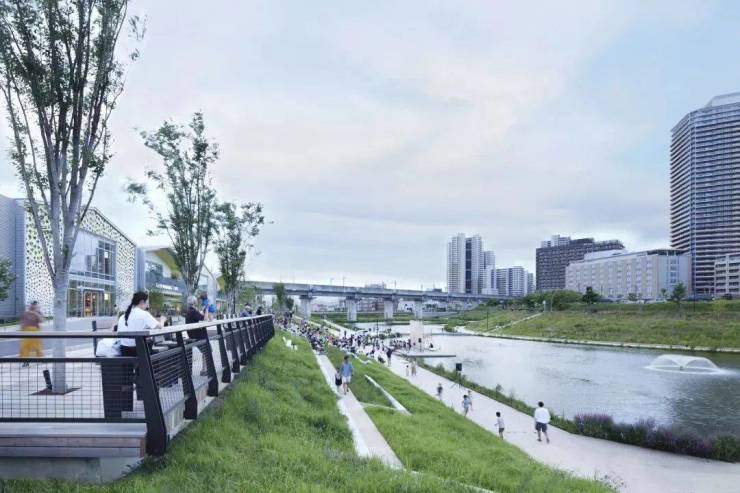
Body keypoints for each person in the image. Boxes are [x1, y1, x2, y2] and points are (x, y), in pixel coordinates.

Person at [19, 301, 44, 366]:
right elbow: (22, 321)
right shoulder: (26, 313)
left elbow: (41, 320)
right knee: (24, 346)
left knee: (37, 345)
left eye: (34, 305)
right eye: (32, 304)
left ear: (36, 306)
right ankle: (25, 361)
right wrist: (21, 328)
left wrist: (35, 313)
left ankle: (40, 358)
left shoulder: (38, 312)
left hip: (34, 330)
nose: (32, 306)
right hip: (26, 331)